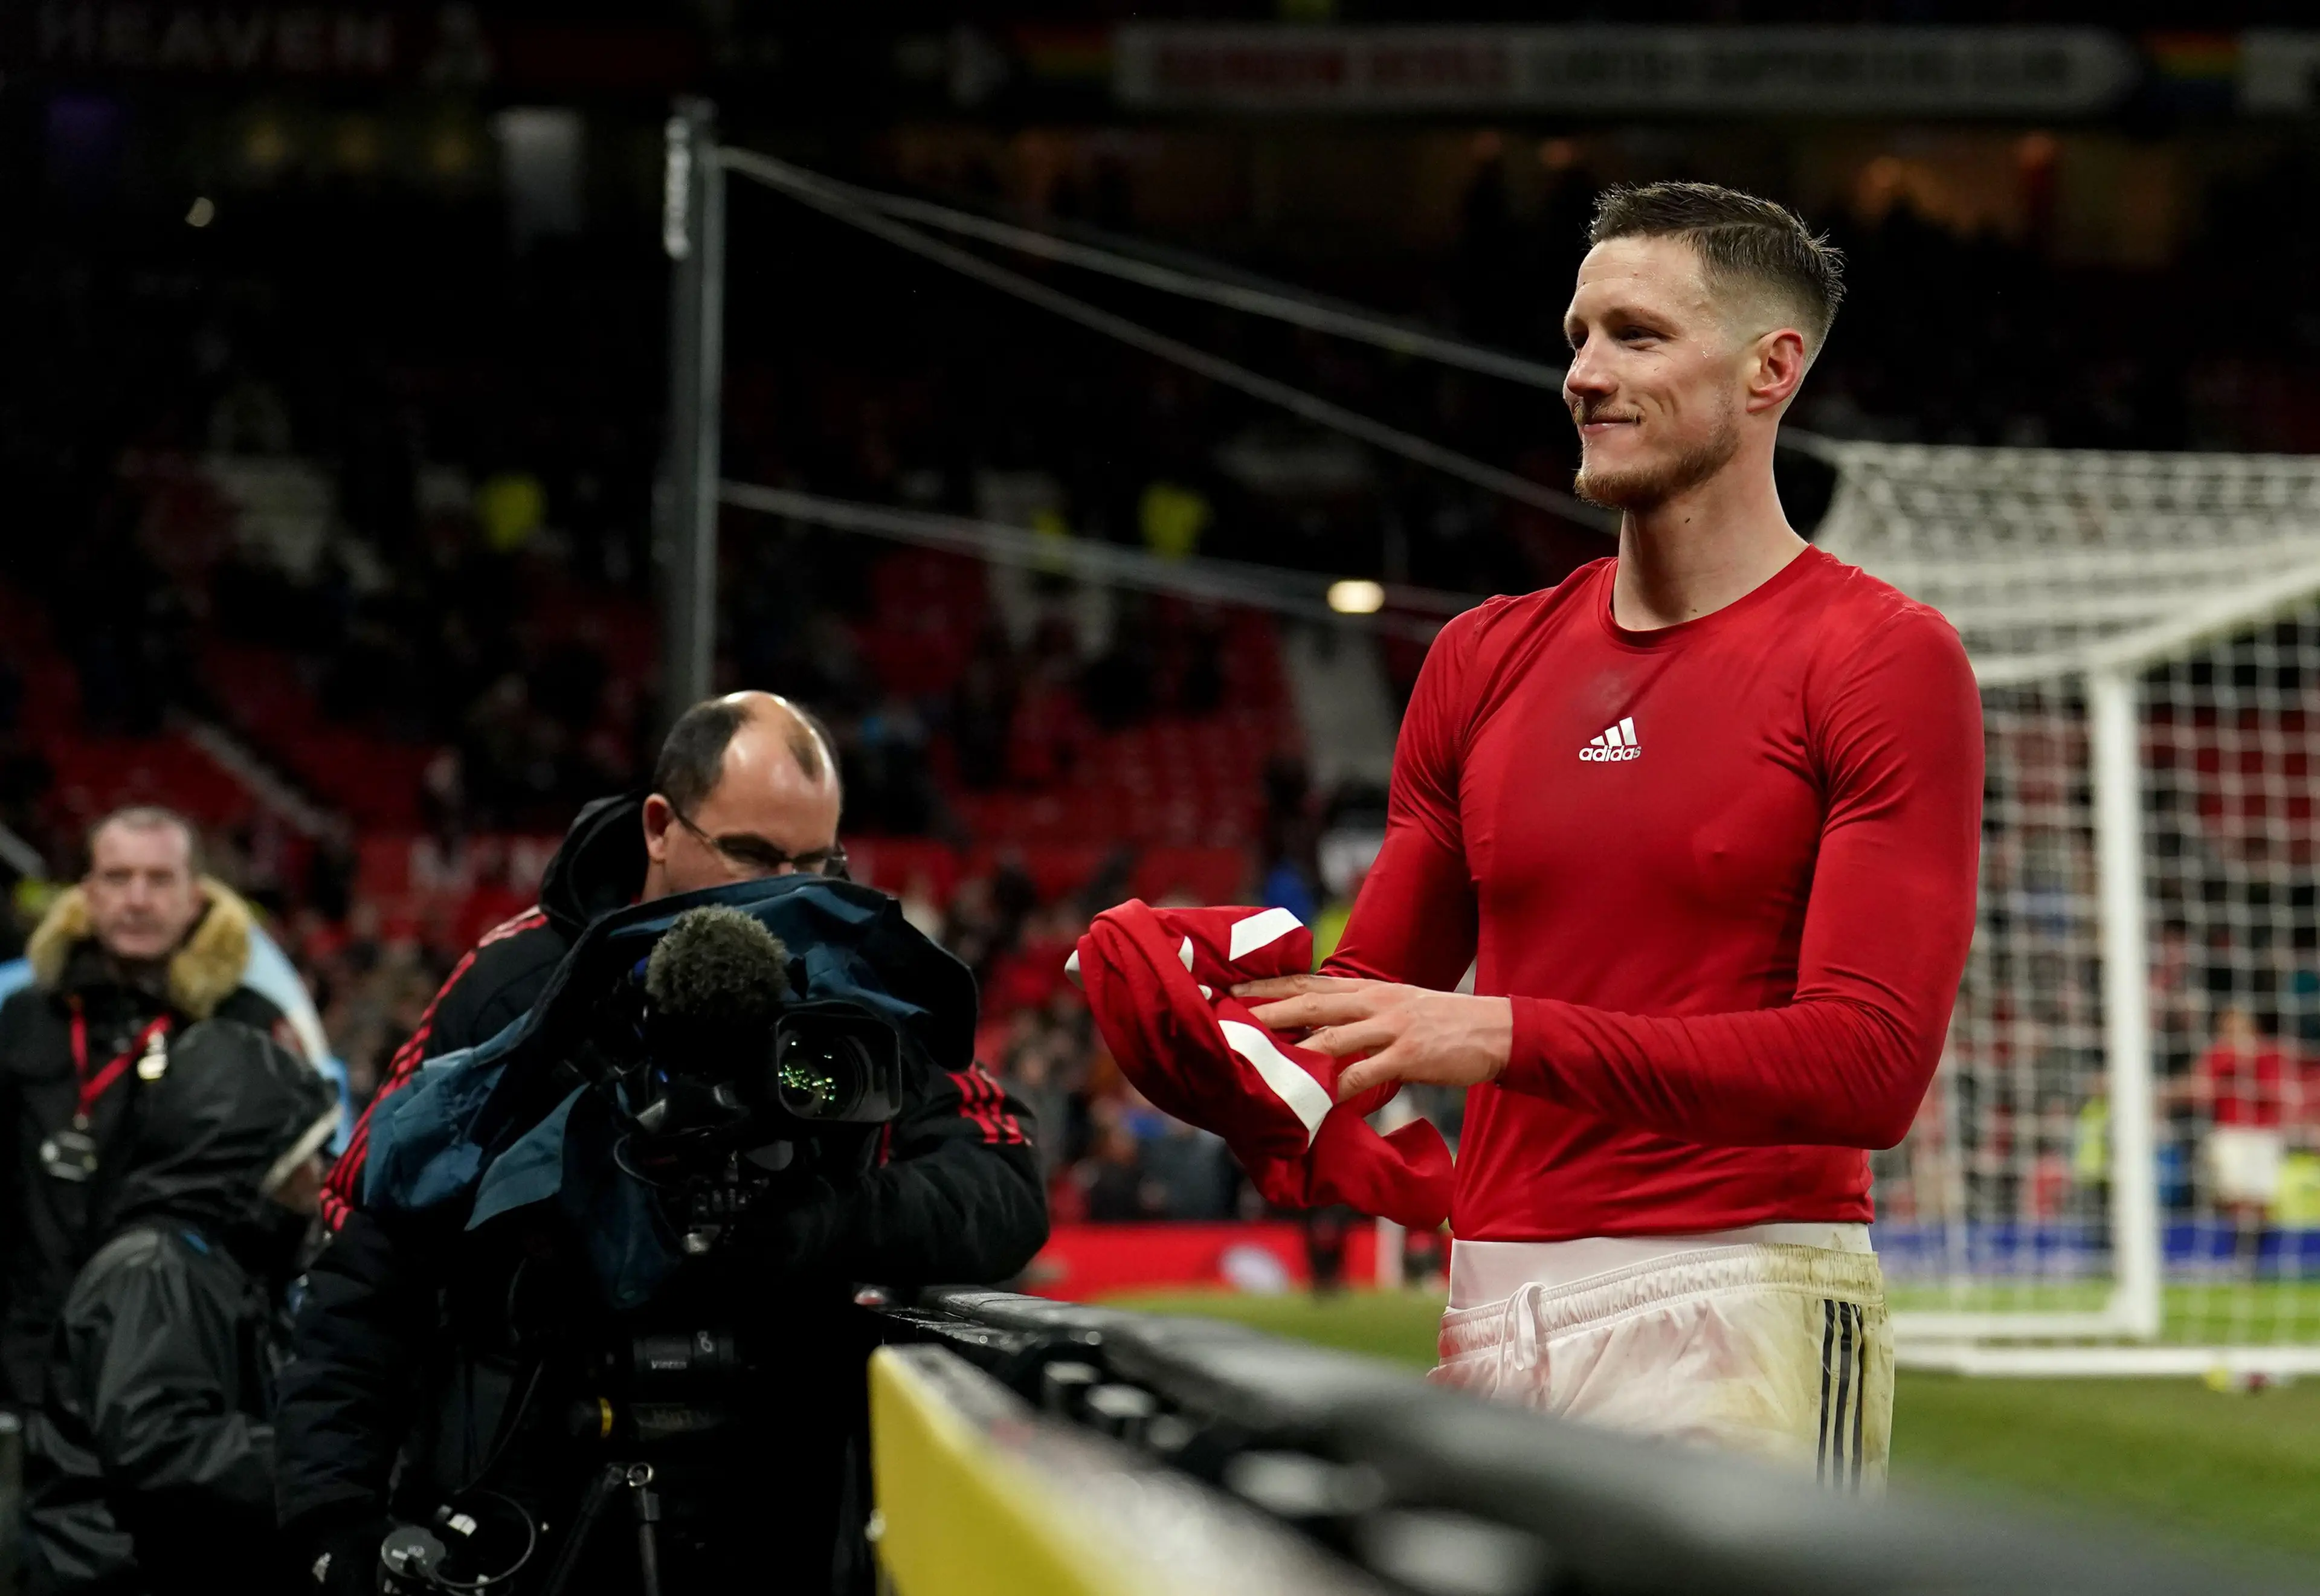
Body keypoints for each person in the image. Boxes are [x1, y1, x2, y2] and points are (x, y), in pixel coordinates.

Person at [1235, 183, 1983, 1488]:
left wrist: (1502, 1031)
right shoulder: (1481, 655)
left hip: (1740, 1294)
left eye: (1635, 335)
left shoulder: (1880, 657)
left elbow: (1870, 1070)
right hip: (1491, 1298)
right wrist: (1208, 1006)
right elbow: (1368, 1002)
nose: (1583, 373)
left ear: (1772, 370)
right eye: (1577, 336)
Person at [276, 692, 1046, 1593]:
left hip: (775, 1514)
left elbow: (1004, 1180)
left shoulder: (860, 989)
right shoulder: (518, 986)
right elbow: (366, 1252)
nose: (788, 889)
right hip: (533, 1504)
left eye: (817, 860)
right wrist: (335, 1518)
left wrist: (830, 1220)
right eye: (754, 853)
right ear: (658, 826)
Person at [0, 807, 309, 1407]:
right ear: (87, 893)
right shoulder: (24, 1020)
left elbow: (287, 1212)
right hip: (28, 1369)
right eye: (117, 877)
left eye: (159, 878)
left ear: (197, 896)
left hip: (184, 1377)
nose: (137, 898)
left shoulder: (247, 1026)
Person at [21, 1018, 338, 1596]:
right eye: (310, 1152)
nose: (321, 1176)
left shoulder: (221, 1264)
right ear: (260, 1160)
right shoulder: (153, 1268)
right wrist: (326, 1463)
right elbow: (159, 1443)